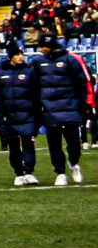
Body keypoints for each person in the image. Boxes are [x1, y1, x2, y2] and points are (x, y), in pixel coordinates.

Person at [35, 35, 91, 187]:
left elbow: (84, 82)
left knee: (74, 142)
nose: (41, 49)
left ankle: (74, 163)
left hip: (71, 107)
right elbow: (32, 84)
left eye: (44, 46)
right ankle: (60, 173)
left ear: (52, 46)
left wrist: (86, 104)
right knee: (54, 144)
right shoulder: (37, 62)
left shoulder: (71, 59)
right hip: (49, 109)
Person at [0, 44, 42, 188]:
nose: (21, 57)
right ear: (10, 57)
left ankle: (29, 172)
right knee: (14, 147)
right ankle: (18, 174)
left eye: (22, 54)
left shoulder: (30, 72)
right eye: (17, 54)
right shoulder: (0, 74)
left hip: (27, 115)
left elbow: (37, 93)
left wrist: (38, 112)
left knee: (28, 144)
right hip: (9, 117)